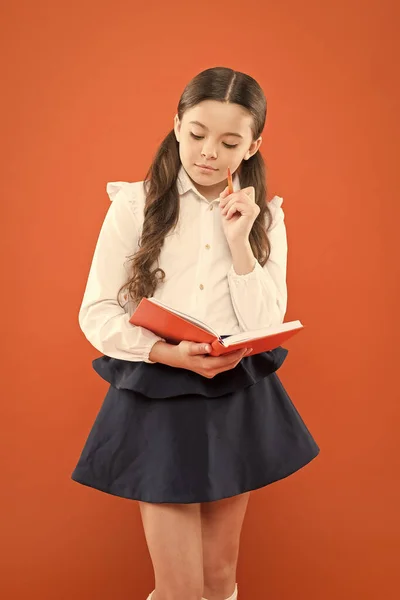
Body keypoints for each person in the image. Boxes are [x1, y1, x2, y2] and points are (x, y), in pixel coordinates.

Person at [71, 66, 320, 600]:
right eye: (197, 134)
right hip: (159, 393)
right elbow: (96, 314)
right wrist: (166, 351)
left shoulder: (263, 217)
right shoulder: (134, 206)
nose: (209, 152)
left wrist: (239, 241)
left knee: (217, 578)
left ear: (253, 145)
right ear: (176, 124)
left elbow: (264, 326)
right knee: (180, 588)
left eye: (230, 142)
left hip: (234, 394)